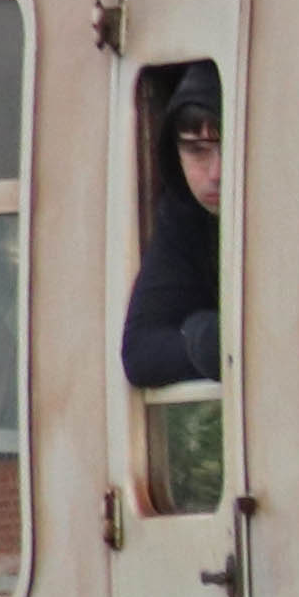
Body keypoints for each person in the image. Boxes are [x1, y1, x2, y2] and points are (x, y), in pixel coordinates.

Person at [121, 67, 223, 389]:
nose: (216, 173)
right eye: (197, 150)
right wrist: (211, 338)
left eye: (231, 147)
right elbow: (140, 351)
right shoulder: (184, 217)